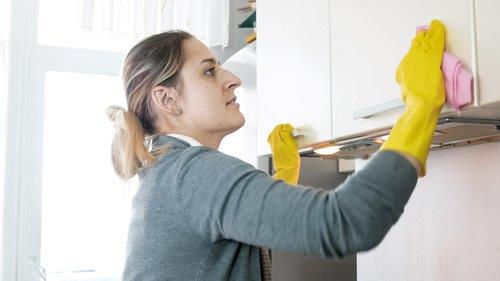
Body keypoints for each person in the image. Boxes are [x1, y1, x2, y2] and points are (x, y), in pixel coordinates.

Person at [107, 19, 446, 281]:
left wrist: (283, 179)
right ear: (167, 99)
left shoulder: (166, 171)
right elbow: (349, 222)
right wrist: (419, 109)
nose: (232, 79)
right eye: (209, 71)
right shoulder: (192, 172)